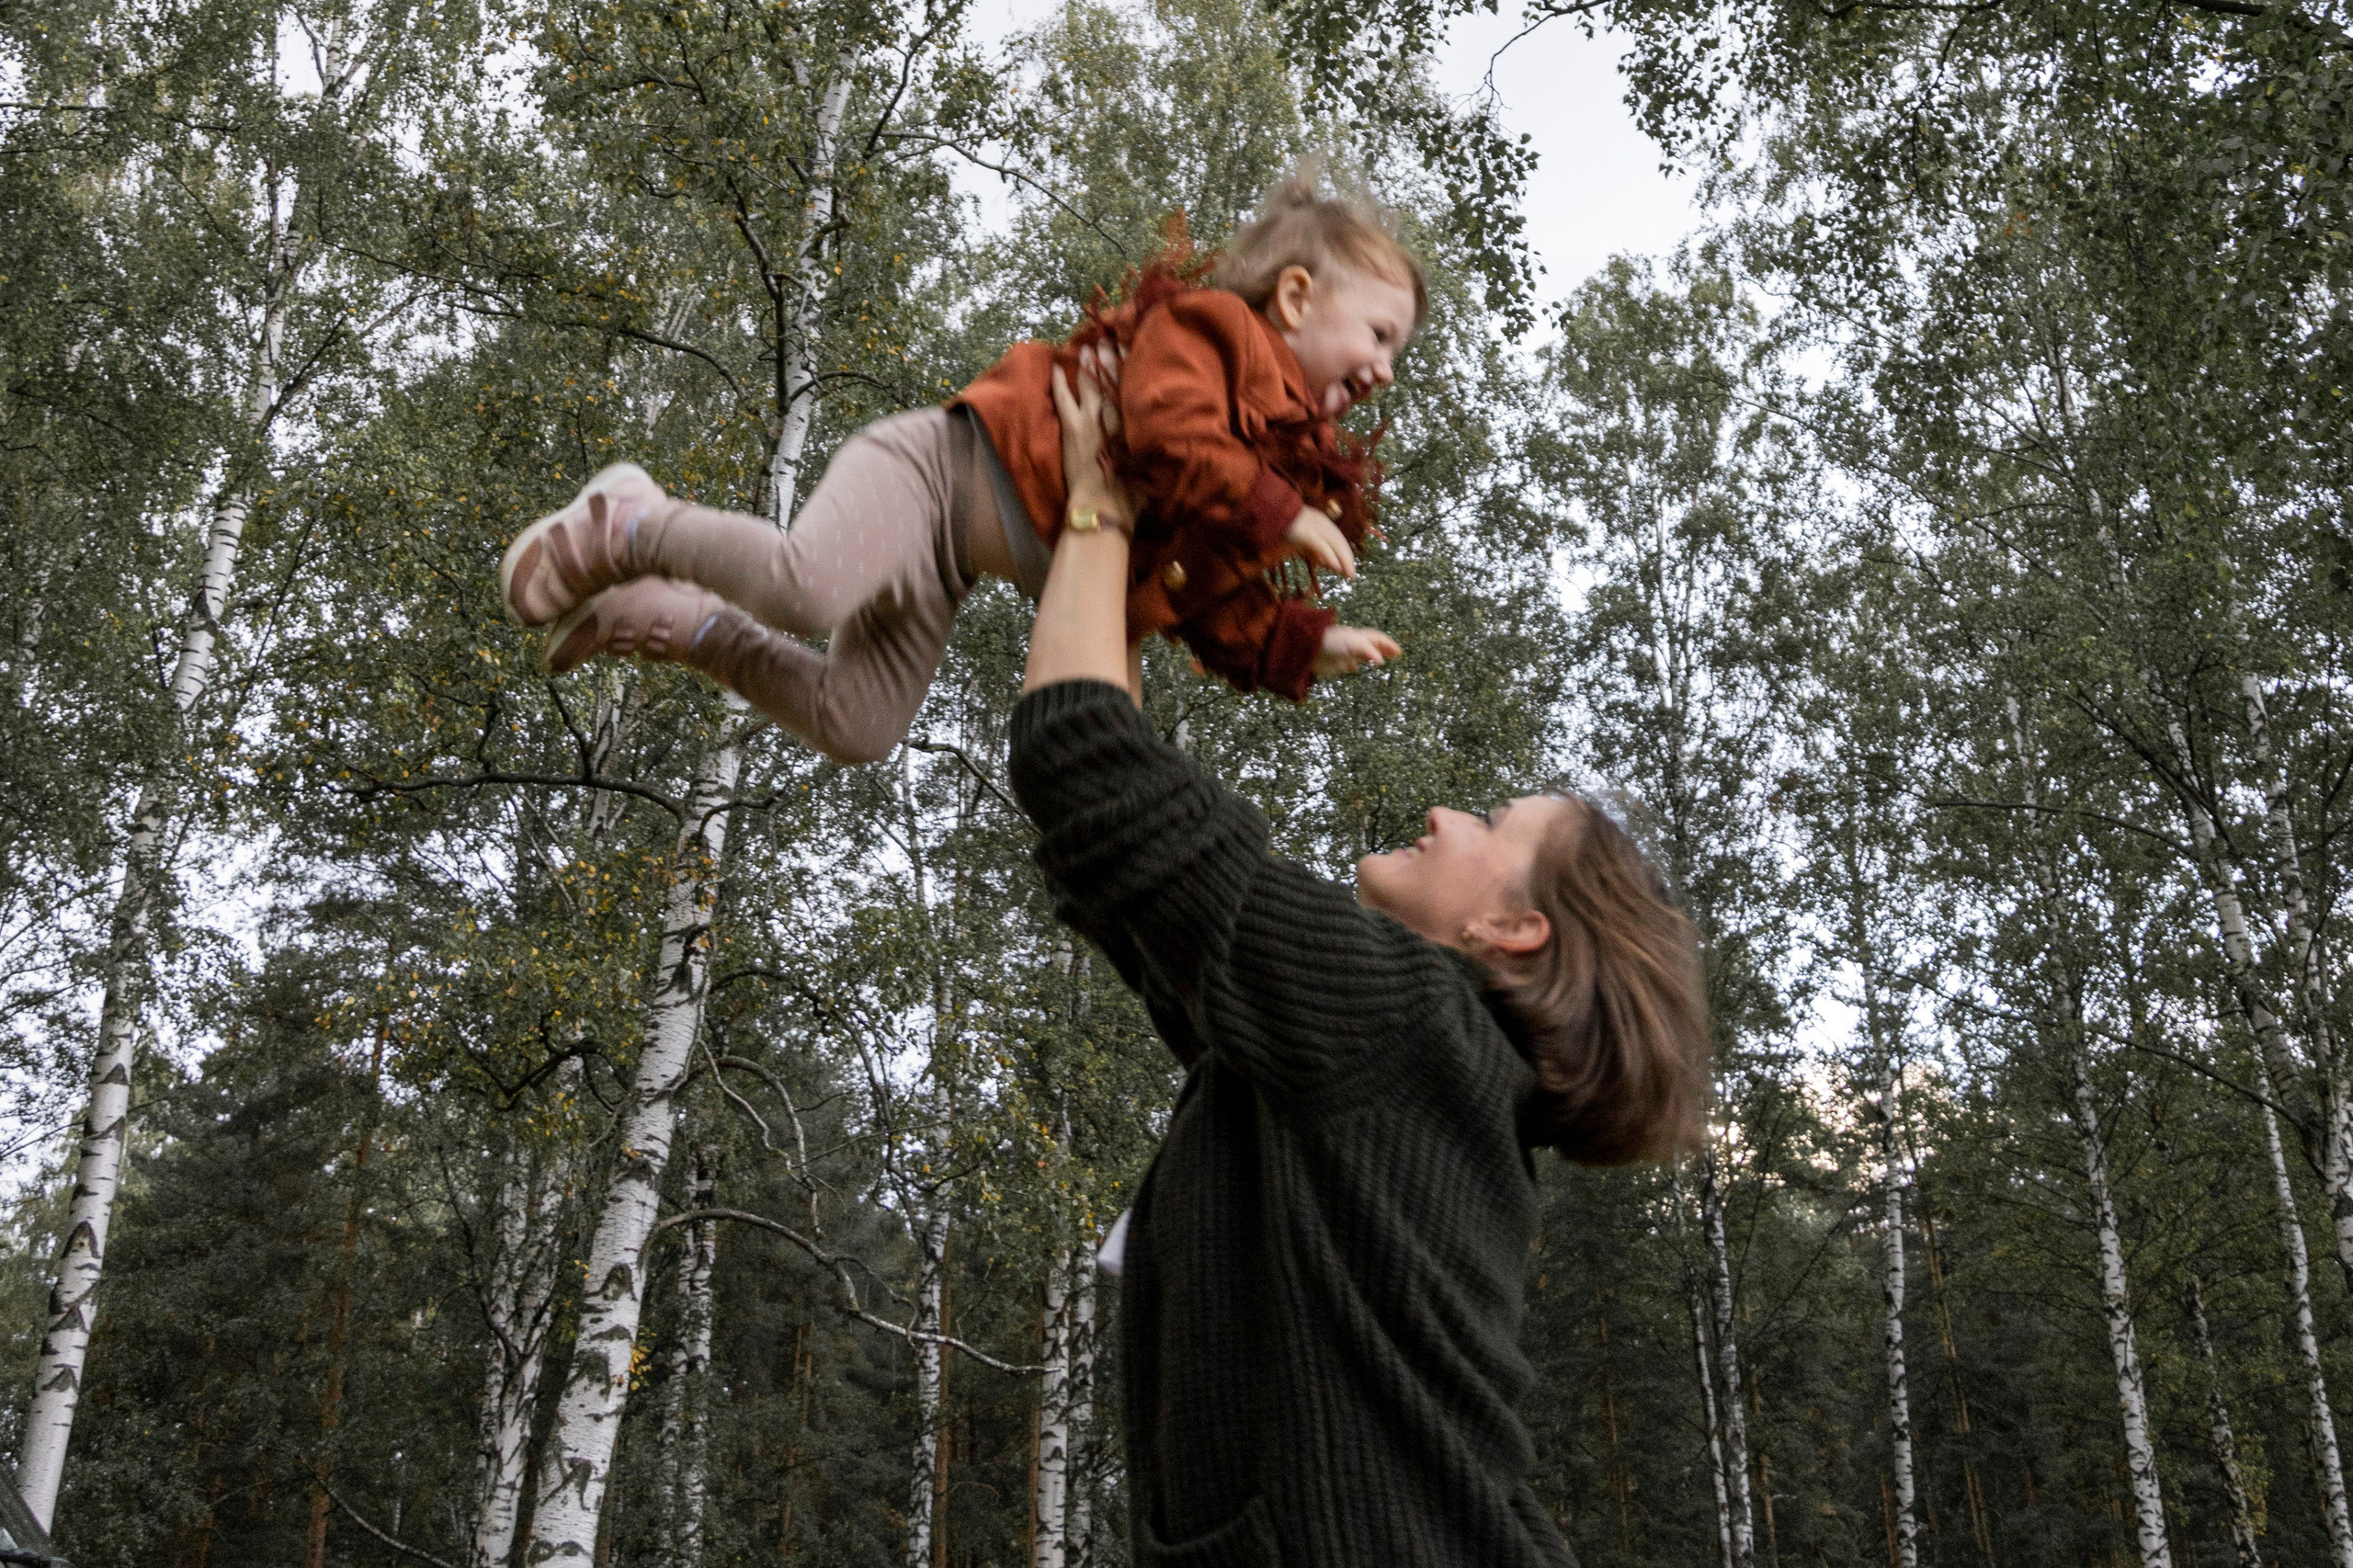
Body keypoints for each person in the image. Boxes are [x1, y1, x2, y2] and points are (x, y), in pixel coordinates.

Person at [1008, 360, 1712, 1566]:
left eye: (1492, 824)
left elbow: (1089, 770)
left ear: (1514, 930)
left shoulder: (1406, 1021)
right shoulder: (1380, 1063)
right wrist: (1127, 574)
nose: (1444, 814)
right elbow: (1120, 863)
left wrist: (1096, 509)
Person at [496, 166, 1413, 764]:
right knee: (804, 587)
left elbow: (1200, 596)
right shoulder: (1213, 334)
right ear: (1297, 297)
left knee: (860, 727)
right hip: (933, 474)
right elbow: (1167, 429)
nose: (1385, 369)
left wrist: (1296, 642)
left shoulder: (1258, 470)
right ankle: (628, 523)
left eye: (1396, 353)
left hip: (946, 561)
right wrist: (1279, 511)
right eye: (1379, 335)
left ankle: (670, 618)